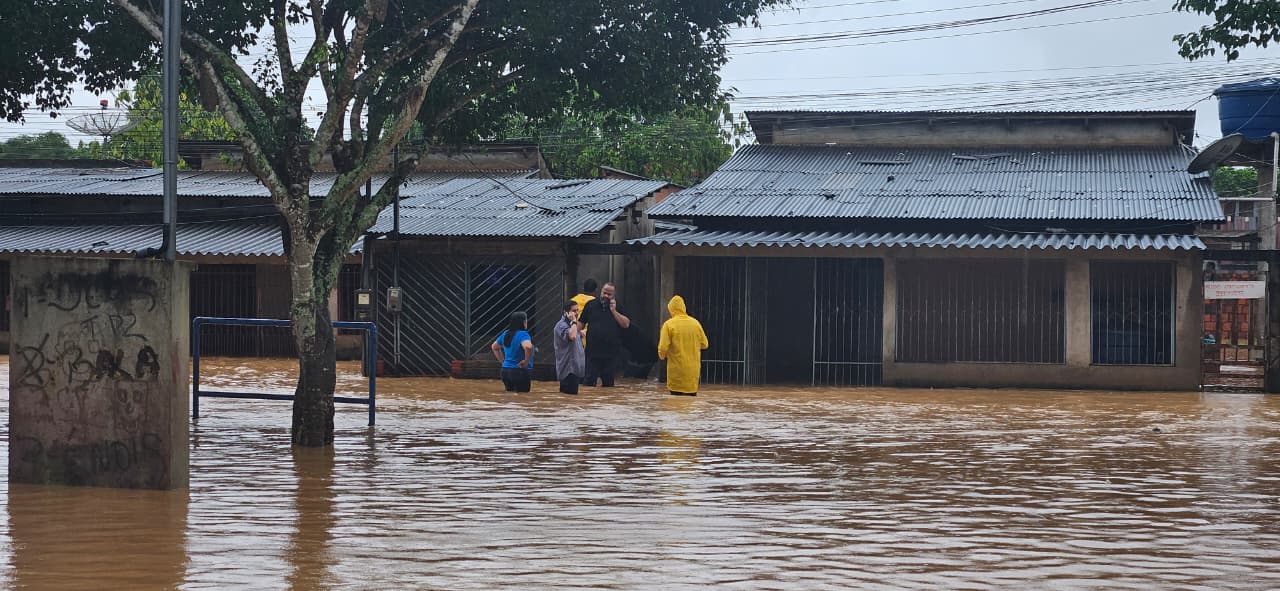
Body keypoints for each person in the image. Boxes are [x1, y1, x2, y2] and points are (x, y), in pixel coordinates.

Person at [579, 282, 630, 387]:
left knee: (608, 385)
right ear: (600, 291)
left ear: (613, 295)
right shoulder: (590, 305)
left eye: (609, 294)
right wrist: (572, 333)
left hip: (610, 354)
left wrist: (614, 311)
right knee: (588, 383)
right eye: (604, 293)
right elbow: (580, 323)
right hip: (592, 352)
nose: (606, 296)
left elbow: (626, 324)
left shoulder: (618, 306)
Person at [658, 295, 708, 396]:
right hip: (692, 375)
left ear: (671, 309)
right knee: (690, 406)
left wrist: (662, 356)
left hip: (676, 374)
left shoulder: (668, 325)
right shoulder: (696, 324)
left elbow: (663, 348)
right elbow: (705, 344)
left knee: (675, 405)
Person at [490, 311, 533, 392]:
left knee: (509, 398)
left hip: (505, 371)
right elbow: (528, 347)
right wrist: (526, 361)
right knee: (523, 399)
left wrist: (502, 361)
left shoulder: (505, 333)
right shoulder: (523, 334)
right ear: (523, 322)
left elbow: (494, 347)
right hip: (519, 371)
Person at [553, 300, 586, 394]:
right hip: (568, 370)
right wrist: (574, 322)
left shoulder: (573, 326)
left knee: (570, 401)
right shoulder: (561, 325)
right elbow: (572, 336)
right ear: (566, 312)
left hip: (575, 369)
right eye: (574, 311)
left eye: (577, 311)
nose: (576, 313)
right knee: (569, 397)